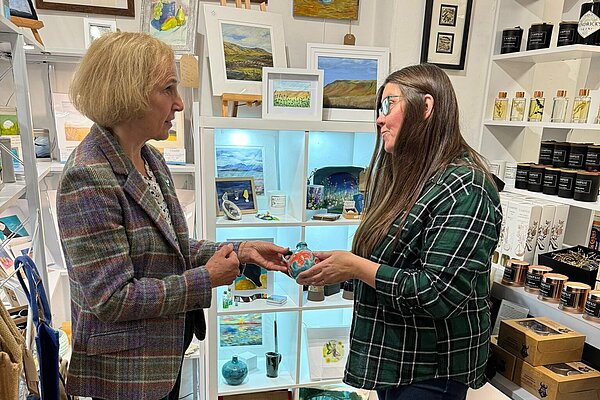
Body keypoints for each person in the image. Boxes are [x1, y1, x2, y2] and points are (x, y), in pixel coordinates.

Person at [56, 32, 288, 400]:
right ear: (128, 93)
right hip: (125, 377)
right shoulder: (88, 176)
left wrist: (239, 249)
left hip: (160, 358)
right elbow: (112, 298)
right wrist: (206, 279)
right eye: (168, 89)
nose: (179, 104)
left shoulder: (150, 159)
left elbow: (174, 248)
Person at [297, 64, 502, 400]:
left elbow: (438, 292)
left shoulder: (465, 187)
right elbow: (392, 261)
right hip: (397, 362)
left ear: (426, 107)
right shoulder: (410, 180)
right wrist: (332, 269)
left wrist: (354, 266)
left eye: (388, 105)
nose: (379, 119)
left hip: (431, 372)